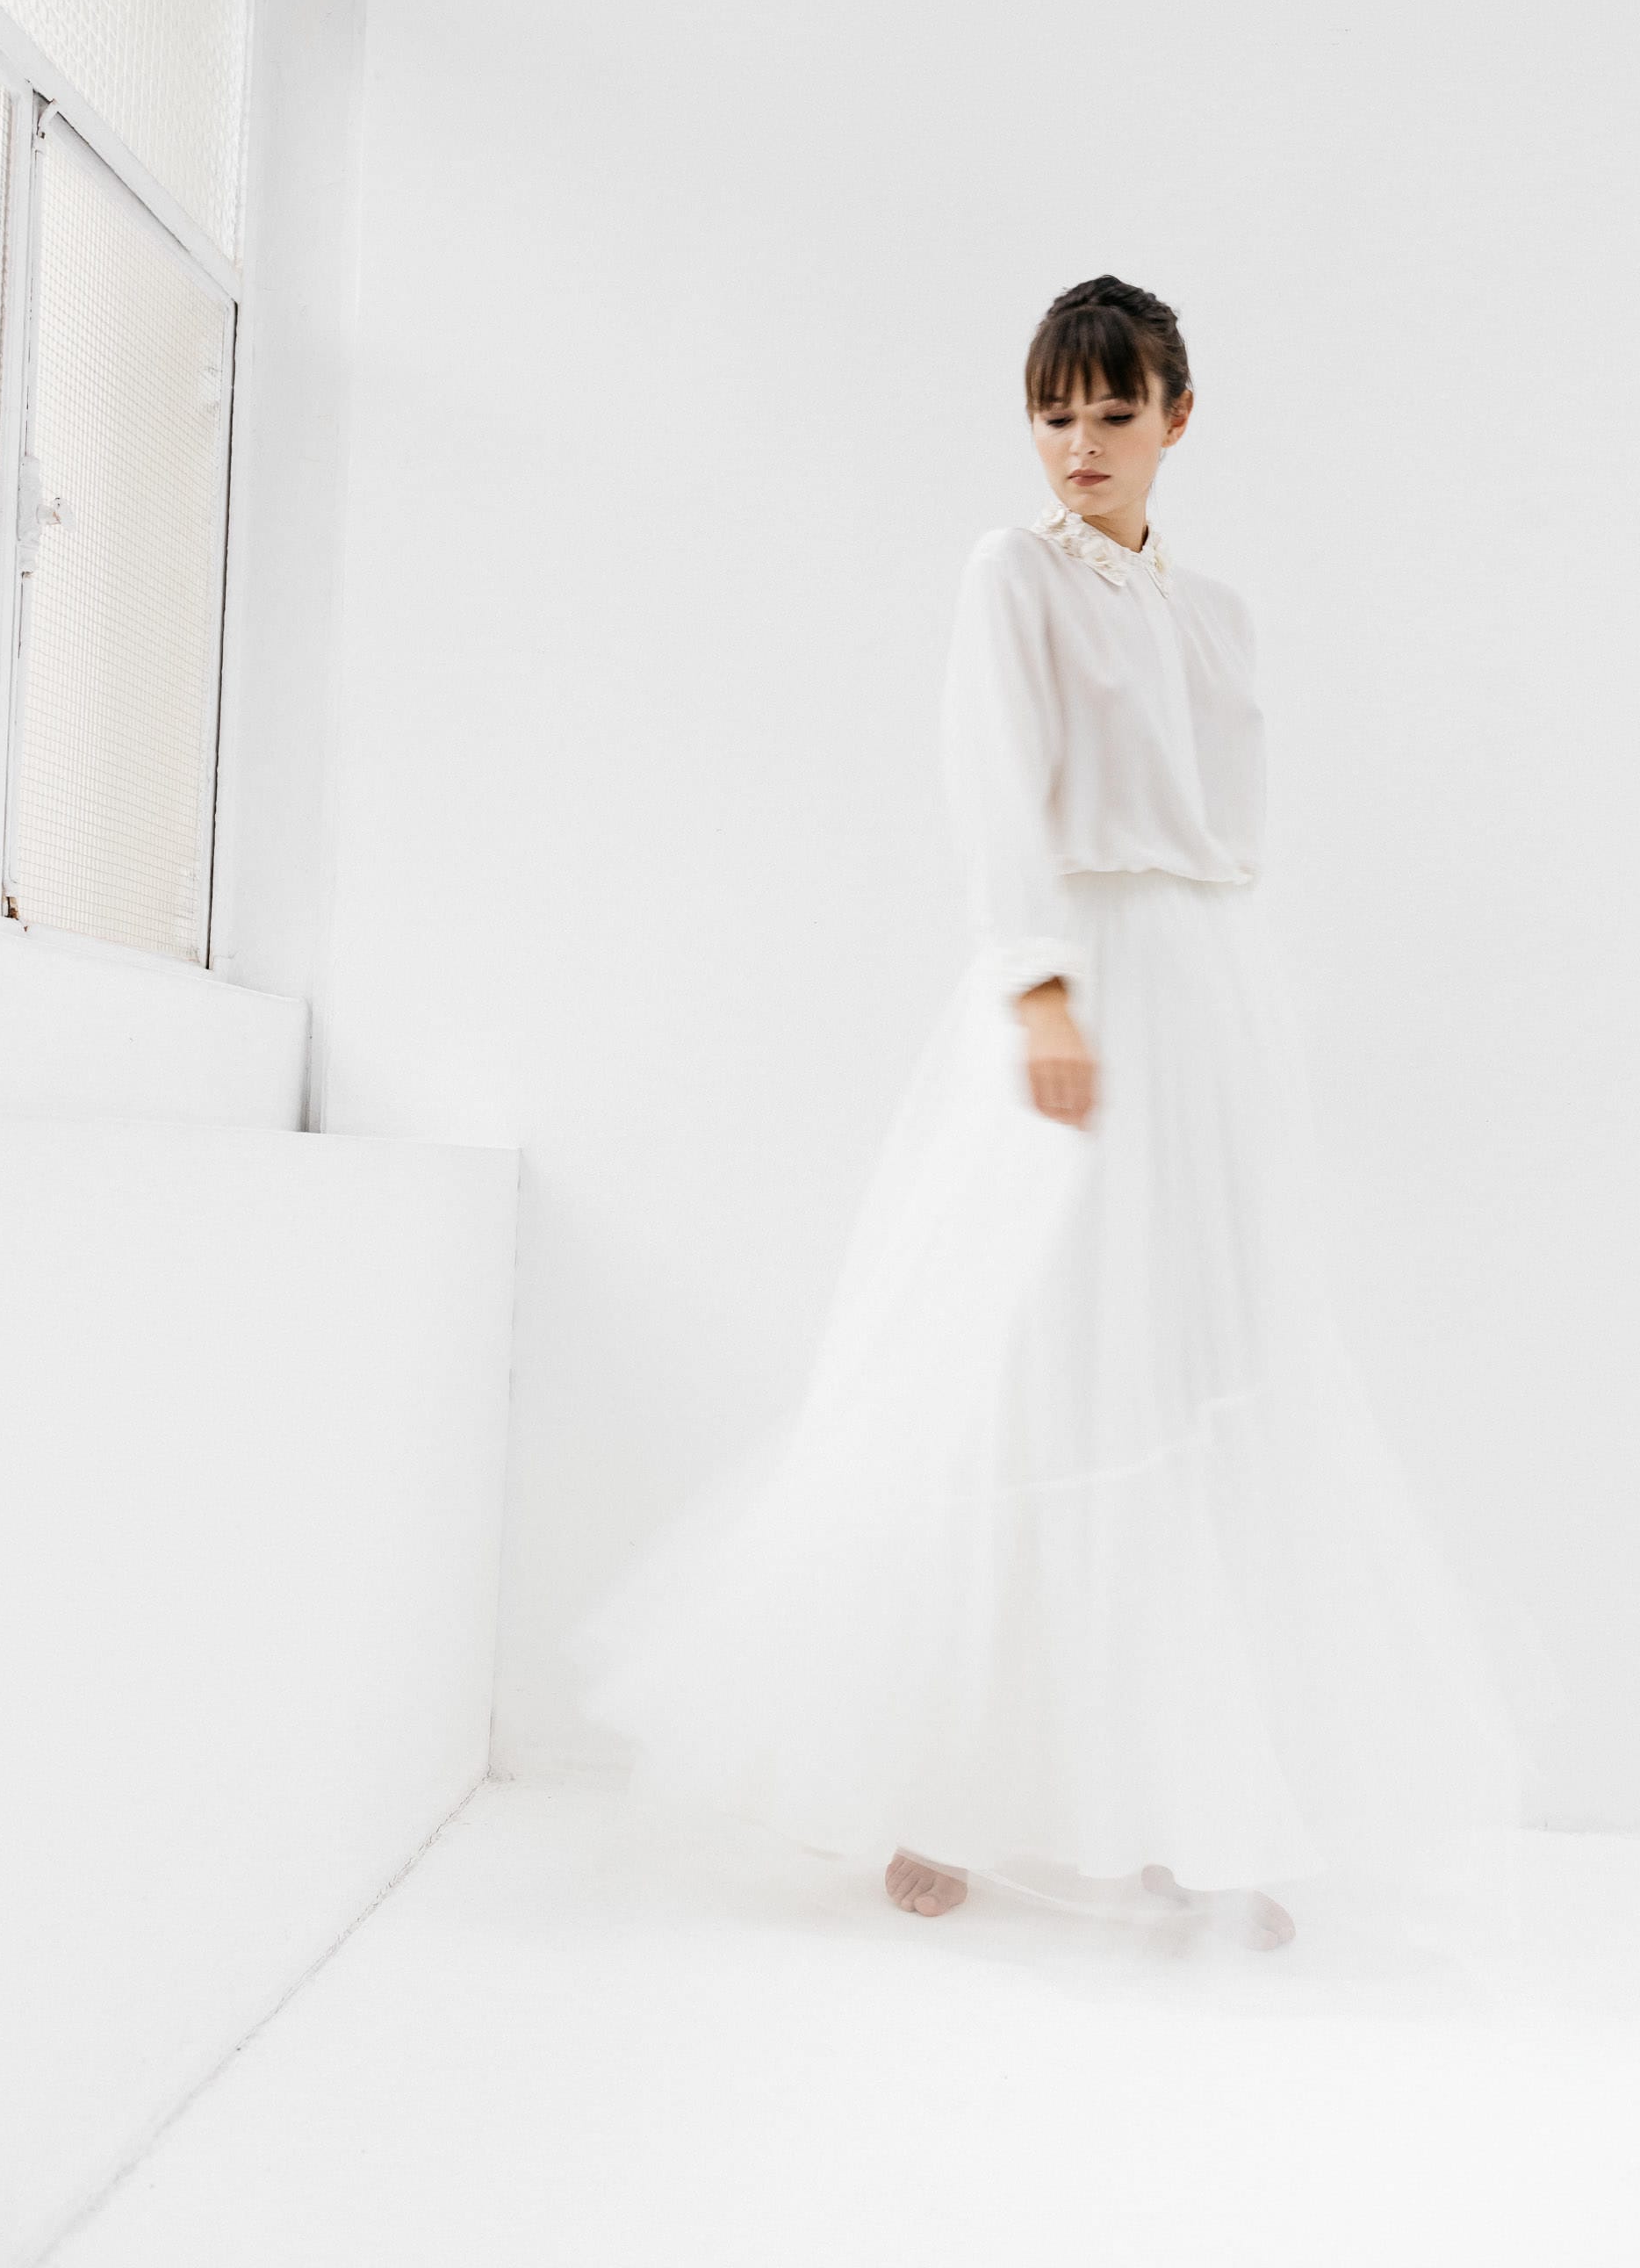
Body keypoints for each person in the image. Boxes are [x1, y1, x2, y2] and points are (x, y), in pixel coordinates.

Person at [570, 275, 1529, 1952]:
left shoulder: (1218, 612)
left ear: (1176, 417)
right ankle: (934, 1789)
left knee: (1192, 1365)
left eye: (1112, 411)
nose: (1080, 444)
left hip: (1205, 997)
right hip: (1070, 974)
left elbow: (1229, 832)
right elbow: (993, 783)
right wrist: (1038, 988)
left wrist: (1221, 1004)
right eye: (1053, 412)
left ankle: (1183, 1810)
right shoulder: (1010, 575)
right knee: (1021, 1356)